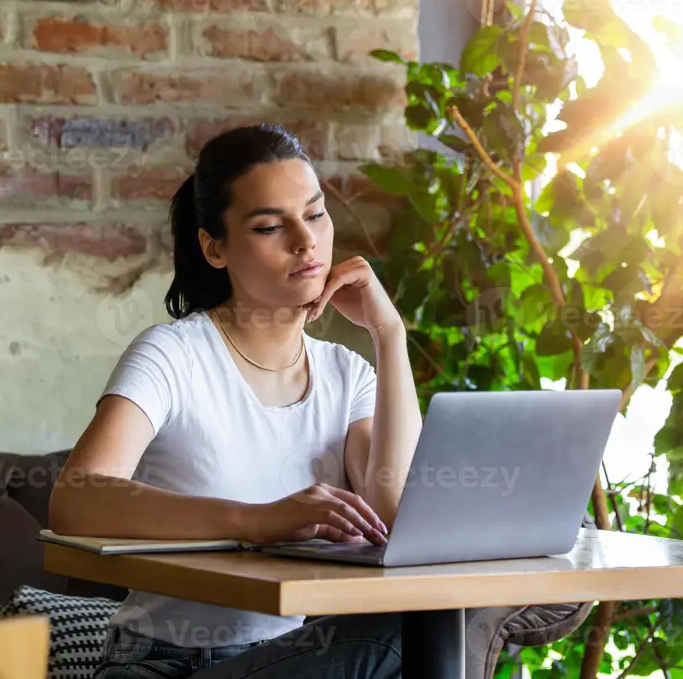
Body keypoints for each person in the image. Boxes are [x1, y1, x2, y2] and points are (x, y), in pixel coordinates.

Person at [49, 123, 424, 678]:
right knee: (402, 637)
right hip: (163, 664)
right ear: (215, 248)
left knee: (426, 625)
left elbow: (396, 518)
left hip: (290, 659)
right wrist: (258, 520)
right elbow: (75, 501)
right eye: (271, 226)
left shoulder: (349, 375)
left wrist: (390, 335)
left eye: (316, 214)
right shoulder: (173, 355)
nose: (306, 241)